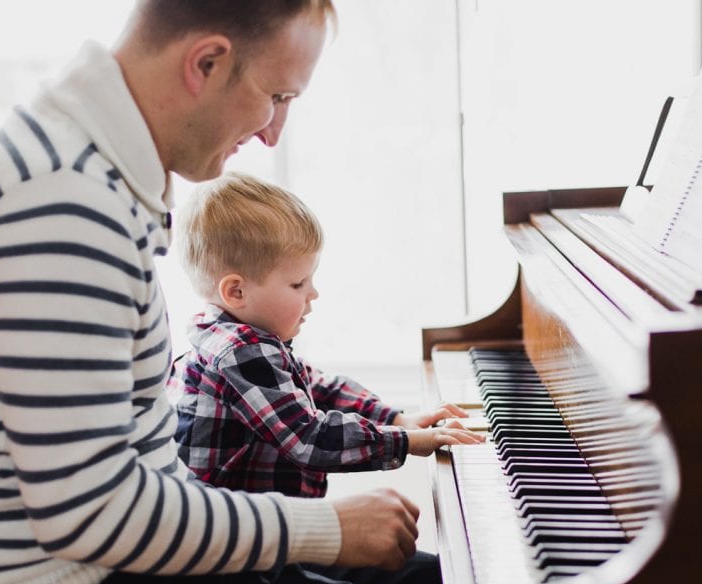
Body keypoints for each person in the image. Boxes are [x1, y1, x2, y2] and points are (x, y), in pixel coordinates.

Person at [0, 2, 459, 584]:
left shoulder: (93, 168)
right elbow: (93, 511)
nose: (272, 131)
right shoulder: (59, 200)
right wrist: (325, 530)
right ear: (206, 63)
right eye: (276, 97)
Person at [168, 171, 483, 497]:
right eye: (298, 284)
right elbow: (309, 438)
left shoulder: (231, 338)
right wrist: (408, 441)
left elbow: (320, 388)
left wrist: (398, 419)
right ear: (236, 291)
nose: (313, 293)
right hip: (245, 539)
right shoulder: (238, 350)